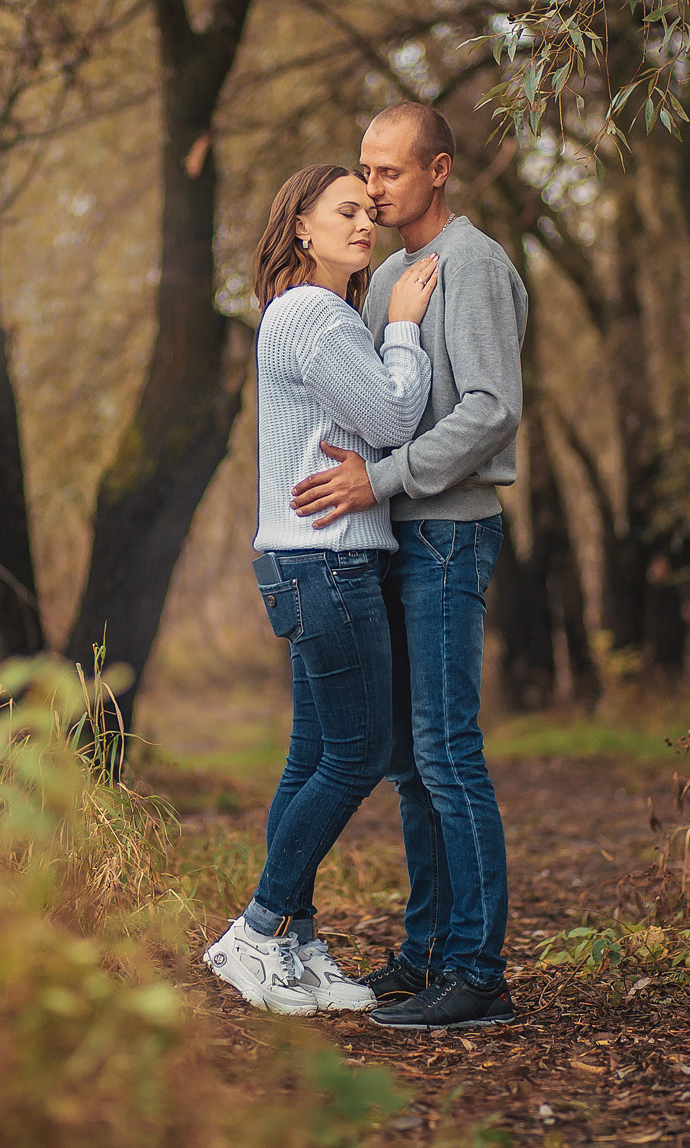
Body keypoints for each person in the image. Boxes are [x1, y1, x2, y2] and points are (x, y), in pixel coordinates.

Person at [291, 103, 526, 1030]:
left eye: (389, 172)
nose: (372, 188)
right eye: (364, 171)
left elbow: (491, 408)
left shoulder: (475, 264)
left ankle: (479, 970)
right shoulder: (386, 273)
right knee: (407, 764)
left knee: (447, 751)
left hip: (450, 533)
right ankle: (428, 952)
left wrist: (378, 479)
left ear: (438, 169)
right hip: (395, 538)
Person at [204, 162, 441, 1015]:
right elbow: (391, 419)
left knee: (312, 756)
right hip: (331, 561)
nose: (363, 223)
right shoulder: (314, 313)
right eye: (344, 210)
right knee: (357, 755)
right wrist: (406, 327)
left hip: (310, 561)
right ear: (299, 226)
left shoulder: (301, 314)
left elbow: (363, 434)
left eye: (367, 211)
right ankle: (258, 932)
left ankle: (296, 945)